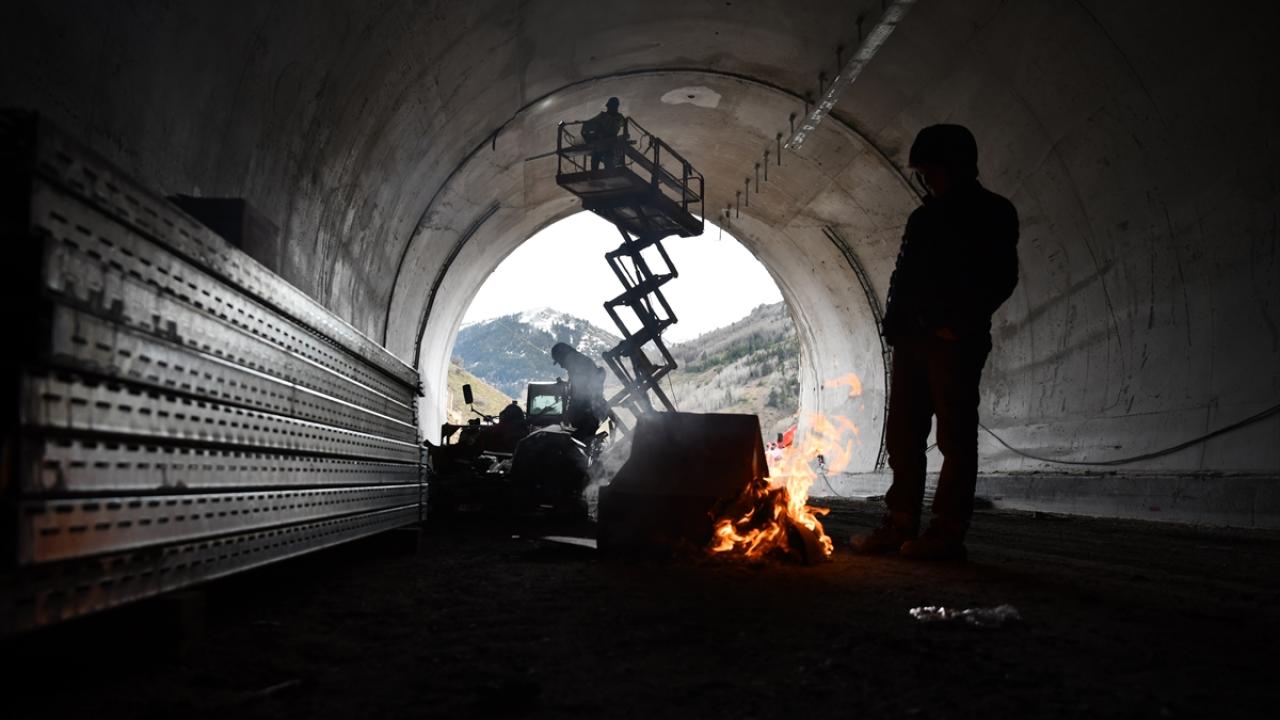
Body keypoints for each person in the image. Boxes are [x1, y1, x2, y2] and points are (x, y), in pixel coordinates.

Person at [851, 123, 1019, 561]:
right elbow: (903, 277)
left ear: (955, 166)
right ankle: (900, 521)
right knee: (904, 435)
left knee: (955, 438)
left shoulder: (993, 212)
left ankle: (946, 531)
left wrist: (958, 325)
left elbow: (1001, 277)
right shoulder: (923, 217)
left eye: (930, 170)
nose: (925, 179)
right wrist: (895, 326)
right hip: (913, 342)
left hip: (953, 343)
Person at [550, 342, 608, 441]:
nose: (561, 366)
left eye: (559, 361)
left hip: (590, 413)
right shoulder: (579, 361)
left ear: (562, 355)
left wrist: (569, 413)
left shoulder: (575, 363)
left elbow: (580, 393)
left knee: (576, 443)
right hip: (594, 411)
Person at [582, 97, 625, 171]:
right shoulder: (603, 116)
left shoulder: (618, 117)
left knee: (607, 159)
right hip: (602, 142)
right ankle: (596, 174)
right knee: (596, 158)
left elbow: (623, 124)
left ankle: (607, 173)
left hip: (609, 143)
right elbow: (589, 123)